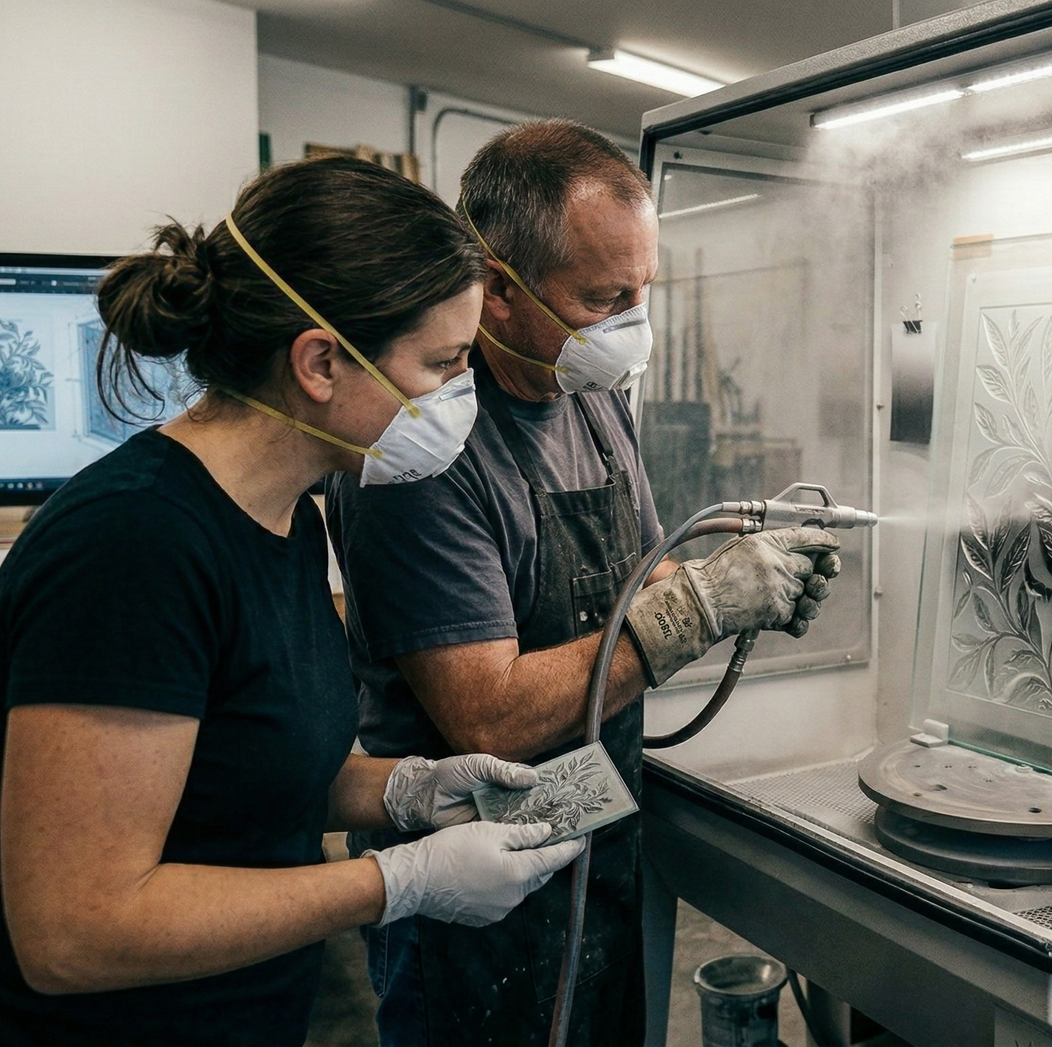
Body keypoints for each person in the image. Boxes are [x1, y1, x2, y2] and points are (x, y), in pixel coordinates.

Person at [0, 156, 584, 1047]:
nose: (458, 397)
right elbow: (74, 931)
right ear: (319, 362)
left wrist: (406, 792)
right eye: (442, 363)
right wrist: (401, 882)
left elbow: (239, 773)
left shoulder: (287, 520)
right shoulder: (132, 548)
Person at [328, 120, 842, 1044]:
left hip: (596, 828)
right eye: (604, 297)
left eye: (644, 288)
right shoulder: (424, 450)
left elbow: (650, 580)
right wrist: (696, 609)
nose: (633, 322)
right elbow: (487, 717)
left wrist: (744, 581)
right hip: (471, 879)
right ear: (497, 289)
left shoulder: (593, 393)